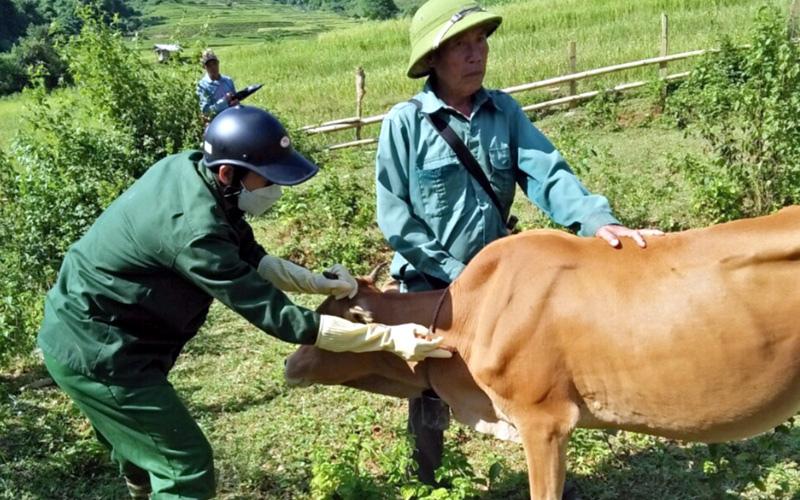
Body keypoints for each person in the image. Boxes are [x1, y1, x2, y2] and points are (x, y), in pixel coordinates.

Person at [37, 105, 451, 500]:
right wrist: (386, 338)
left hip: (111, 330)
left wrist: (318, 283)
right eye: (267, 180)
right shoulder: (195, 235)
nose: (274, 190)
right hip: (99, 349)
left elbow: (246, 253)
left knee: (140, 447)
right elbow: (282, 320)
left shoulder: (191, 171)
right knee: (185, 466)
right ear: (228, 173)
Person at [374, 0, 663, 494]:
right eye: (461, 45)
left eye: (481, 41)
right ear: (433, 59)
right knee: (430, 386)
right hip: (432, 284)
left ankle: (547, 474)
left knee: (533, 381)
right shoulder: (406, 124)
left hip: (499, 288)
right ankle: (425, 478)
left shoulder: (503, 111)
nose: (476, 53)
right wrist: (455, 275)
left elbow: (546, 173)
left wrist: (596, 221)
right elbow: (396, 217)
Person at [196, 49, 238, 120]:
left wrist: (236, 102)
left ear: (218, 64)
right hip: (215, 121)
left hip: (232, 117)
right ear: (204, 67)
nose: (213, 67)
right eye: (209, 65)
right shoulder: (202, 86)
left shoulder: (228, 81)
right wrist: (225, 101)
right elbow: (206, 111)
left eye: (214, 63)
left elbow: (235, 98)